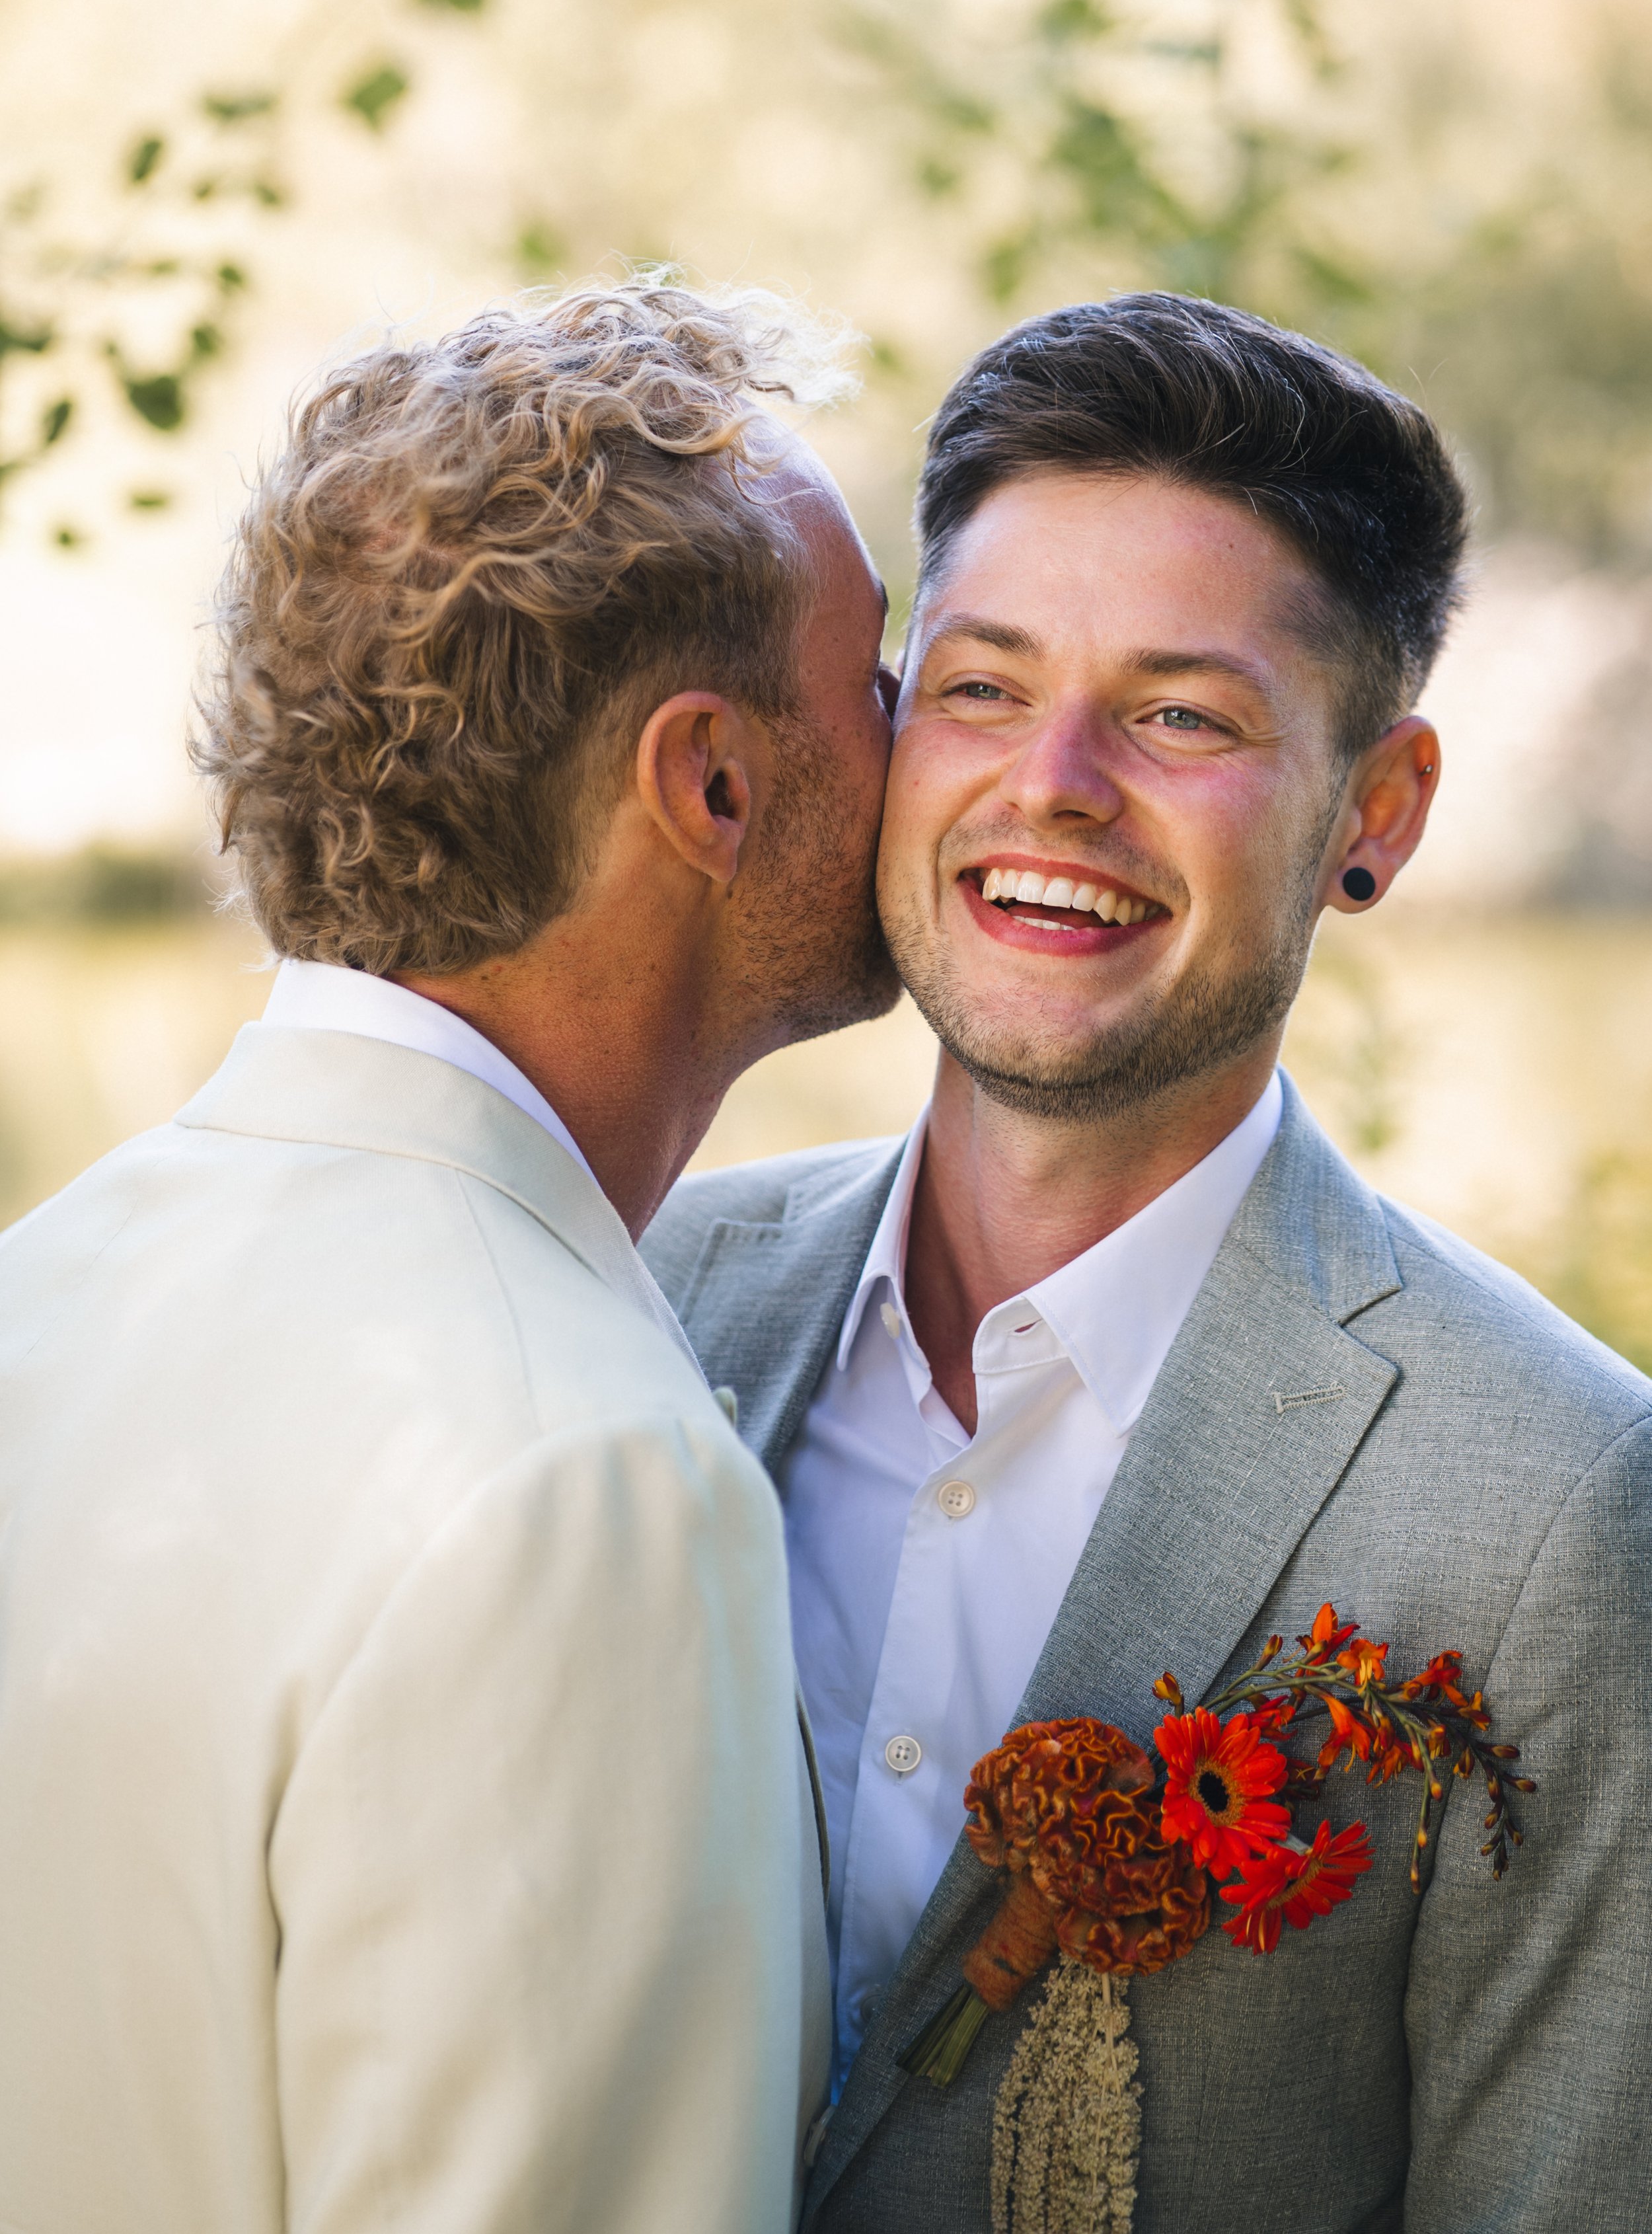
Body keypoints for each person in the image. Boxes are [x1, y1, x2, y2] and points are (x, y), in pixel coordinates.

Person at [642, 293, 1652, 2233]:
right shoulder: (644, 1301)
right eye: (982, 686)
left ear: (1375, 812)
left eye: (1180, 716)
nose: (1055, 784)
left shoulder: (1556, 1508)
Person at [0, 281, 900, 2234]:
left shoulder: (39, 1297)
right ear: (712, 785)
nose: (922, 749)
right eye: (880, 677)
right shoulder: (579, 1482)